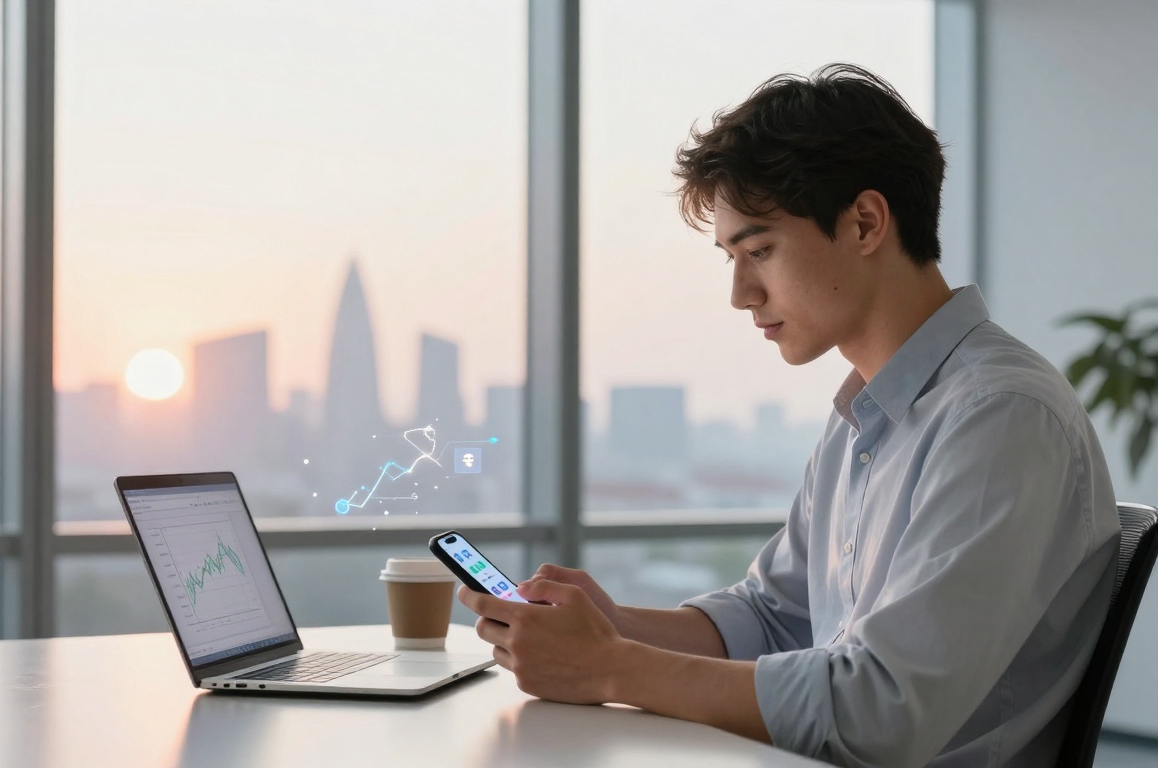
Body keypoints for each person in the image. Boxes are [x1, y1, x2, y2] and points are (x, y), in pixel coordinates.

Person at [458, 63, 1121, 767]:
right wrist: (612, 628)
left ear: (865, 222)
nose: (741, 294)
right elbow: (774, 618)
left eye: (760, 250)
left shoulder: (1001, 418)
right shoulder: (868, 416)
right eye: (731, 259)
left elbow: (882, 710)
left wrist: (612, 666)